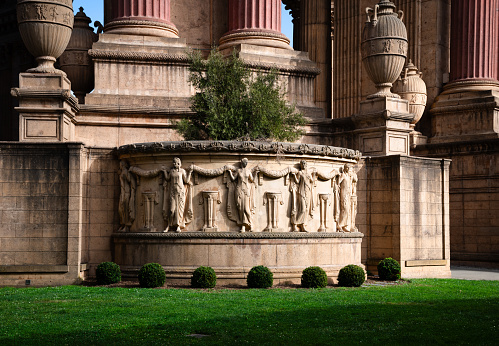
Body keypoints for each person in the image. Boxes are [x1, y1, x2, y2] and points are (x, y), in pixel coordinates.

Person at [163, 157, 192, 232]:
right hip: (172, 192)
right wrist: (164, 172)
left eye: (176, 163)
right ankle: (169, 225)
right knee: (172, 210)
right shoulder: (172, 171)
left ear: (179, 163)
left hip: (180, 192)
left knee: (179, 210)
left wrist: (190, 172)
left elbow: (186, 180)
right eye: (173, 162)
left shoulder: (182, 171)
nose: (174, 164)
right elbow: (167, 178)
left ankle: (178, 226)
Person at [227, 158, 255, 232]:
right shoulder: (239, 171)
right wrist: (230, 172)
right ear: (242, 163)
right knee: (240, 208)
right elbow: (233, 179)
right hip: (239, 190)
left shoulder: (248, 171)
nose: (246, 163)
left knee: (246, 208)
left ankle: (251, 224)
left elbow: (252, 180)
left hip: (246, 190)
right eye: (244, 162)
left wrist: (256, 173)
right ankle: (243, 226)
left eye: (247, 162)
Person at [290, 160, 315, 232]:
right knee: (302, 209)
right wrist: (294, 176)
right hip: (302, 192)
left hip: (308, 191)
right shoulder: (300, 173)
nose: (304, 165)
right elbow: (297, 181)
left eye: (305, 164)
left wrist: (314, 174)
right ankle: (295, 223)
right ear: (301, 165)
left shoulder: (308, 173)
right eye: (302, 164)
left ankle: (303, 225)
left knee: (306, 209)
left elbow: (312, 181)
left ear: (306, 165)